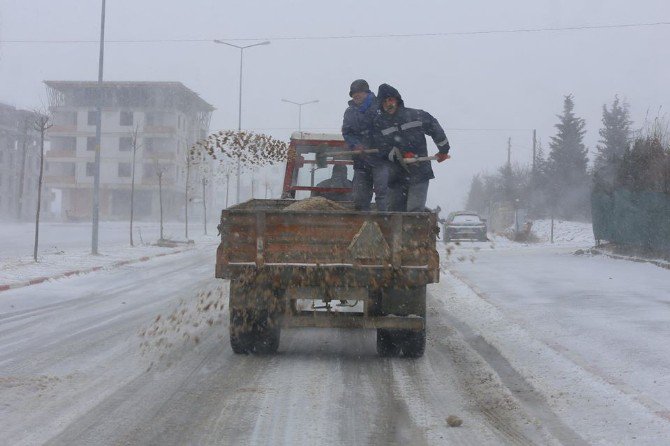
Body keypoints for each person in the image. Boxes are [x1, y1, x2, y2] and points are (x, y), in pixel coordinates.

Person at [373, 83, 451, 212]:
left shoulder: (416, 115)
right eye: (384, 101)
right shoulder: (379, 124)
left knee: (414, 214)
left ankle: (412, 230)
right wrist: (398, 156)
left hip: (419, 173)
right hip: (395, 177)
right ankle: (396, 233)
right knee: (394, 213)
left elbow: (435, 128)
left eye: (390, 99)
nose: (388, 104)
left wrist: (443, 150)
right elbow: (380, 147)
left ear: (397, 100)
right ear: (381, 104)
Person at [341, 79, 392, 211]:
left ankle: (384, 223)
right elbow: (347, 132)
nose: (356, 95)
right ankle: (362, 224)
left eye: (359, 92)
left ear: (367, 92)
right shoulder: (349, 112)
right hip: (361, 162)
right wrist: (356, 145)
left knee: (382, 194)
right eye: (353, 93)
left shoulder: (380, 108)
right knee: (360, 197)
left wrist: (373, 144)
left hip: (380, 160)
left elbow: (387, 129)